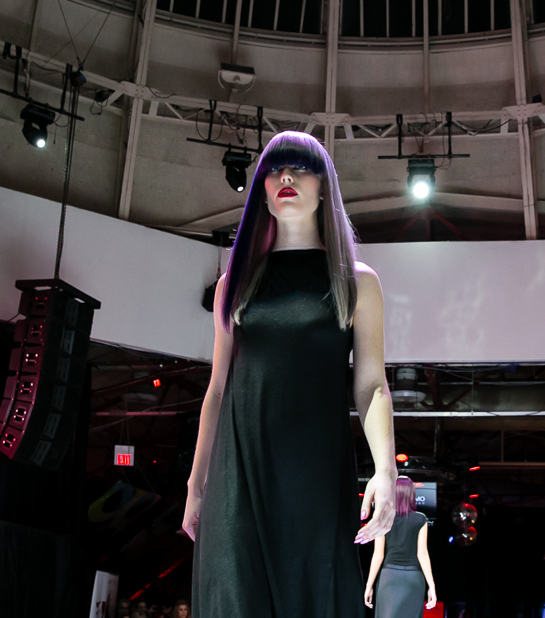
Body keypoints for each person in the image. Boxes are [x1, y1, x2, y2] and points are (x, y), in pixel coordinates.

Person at [183, 131, 398, 618]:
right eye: (274, 170)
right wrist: (196, 484)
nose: (285, 177)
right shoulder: (234, 284)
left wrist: (385, 471)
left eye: (301, 168)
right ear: (262, 191)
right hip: (238, 474)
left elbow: (371, 386)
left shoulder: (356, 282)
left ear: (324, 188)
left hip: (314, 474)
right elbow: (217, 390)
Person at [363, 477, 436, 617]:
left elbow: (378, 555)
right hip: (414, 578)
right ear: (411, 494)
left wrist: (369, 585)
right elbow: (422, 554)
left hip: (389, 576)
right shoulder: (420, 519)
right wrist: (431, 586)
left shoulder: (383, 518)